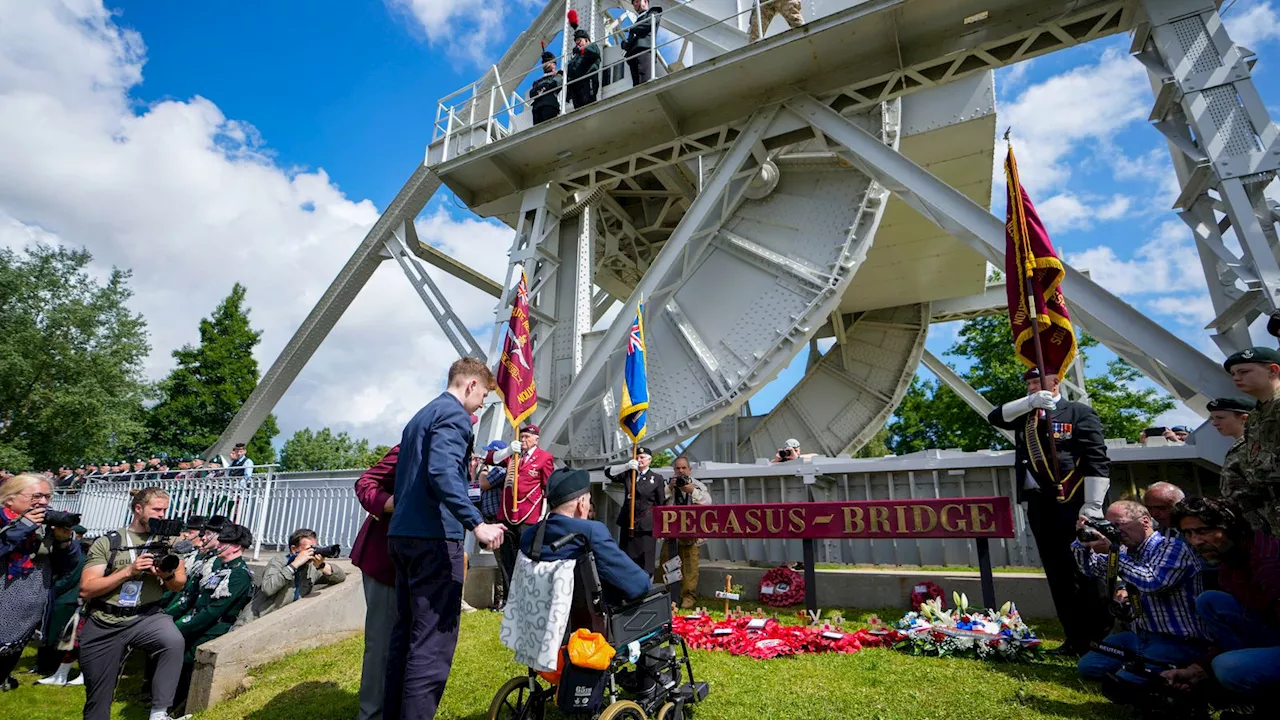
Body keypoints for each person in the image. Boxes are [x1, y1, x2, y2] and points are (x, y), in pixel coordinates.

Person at [385, 357, 506, 720]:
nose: (482, 403)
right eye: (483, 395)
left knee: (405, 638)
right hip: (434, 540)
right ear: (470, 385)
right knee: (432, 645)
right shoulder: (454, 416)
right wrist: (476, 523)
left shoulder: (421, 416)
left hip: (404, 535)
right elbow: (441, 471)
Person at [987, 367, 1111, 656]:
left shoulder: (1078, 413)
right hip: (1041, 504)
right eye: (1029, 382)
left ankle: (1099, 638)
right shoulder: (1025, 416)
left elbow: (1096, 458)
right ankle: (1074, 637)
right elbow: (995, 417)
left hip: (1074, 503)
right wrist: (1030, 403)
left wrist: (1093, 506)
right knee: (1058, 572)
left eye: (1038, 382)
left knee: (1088, 571)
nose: (1032, 387)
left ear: (1056, 382)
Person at [78, 487, 188, 720]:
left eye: (165, 510)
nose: (162, 515)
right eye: (156, 509)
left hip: (146, 617)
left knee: (172, 640)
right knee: (98, 698)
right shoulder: (109, 541)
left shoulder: (168, 541)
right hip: (104, 620)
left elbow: (179, 583)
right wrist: (129, 570)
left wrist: (165, 574)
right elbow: (87, 588)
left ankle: (159, 713)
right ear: (138, 509)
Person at [1071, 500, 1209, 682]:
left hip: (1178, 640)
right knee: (1088, 667)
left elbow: (1152, 582)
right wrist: (1083, 542)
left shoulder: (1172, 547)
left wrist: (1115, 555)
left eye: (1118, 525)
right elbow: (1091, 569)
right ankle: (1143, 666)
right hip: (1140, 636)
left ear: (1145, 522)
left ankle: (1162, 669)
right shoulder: (1125, 550)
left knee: (1125, 683)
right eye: (1109, 526)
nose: (1115, 531)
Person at [1162, 497, 1280, 698]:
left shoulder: (1269, 563)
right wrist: (1198, 670)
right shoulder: (1229, 564)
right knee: (1210, 602)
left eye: (1203, 531)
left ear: (1230, 527)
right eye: (1188, 533)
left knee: (1227, 667)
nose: (1195, 541)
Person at [0, 474, 83, 690]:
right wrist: (23, 526)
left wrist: (65, 541)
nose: (44, 502)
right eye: (37, 496)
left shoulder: (44, 527)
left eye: (48, 496)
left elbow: (66, 567)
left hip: (26, 616)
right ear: (10, 499)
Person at [168, 523, 254, 714]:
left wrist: (179, 628)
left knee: (185, 669)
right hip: (196, 628)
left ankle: (178, 711)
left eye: (225, 541)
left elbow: (213, 612)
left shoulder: (239, 574)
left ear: (236, 546)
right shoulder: (219, 568)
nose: (219, 543)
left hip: (210, 632)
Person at [352, 444, 400, 720]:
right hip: (384, 561)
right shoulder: (415, 441)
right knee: (381, 644)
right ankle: (371, 714)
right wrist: (392, 503)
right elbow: (366, 482)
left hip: (417, 565)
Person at [485, 424, 554, 595]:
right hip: (507, 513)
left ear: (536, 439)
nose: (523, 440)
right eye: (521, 437)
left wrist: (543, 514)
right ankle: (510, 598)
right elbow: (489, 459)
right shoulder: (513, 456)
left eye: (527, 437)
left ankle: (528, 593)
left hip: (528, 514)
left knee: (526, 557)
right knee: (507, 556)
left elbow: (547, 487)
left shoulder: (544, 458)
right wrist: (508, 450)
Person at [236, 528, 345, 625]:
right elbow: (268, 588)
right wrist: (294, 565)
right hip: (253, 621)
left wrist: (321, 565)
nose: (312, 552)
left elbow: (340, 577)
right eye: (308, 549)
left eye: (314, 548)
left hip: (278, 623)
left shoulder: (311, 568)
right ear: (294, 549)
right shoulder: (279, 561)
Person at [1225, 346, 1280, 534]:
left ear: (1273, 370)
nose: (1236, 378)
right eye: (1233, 374)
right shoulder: (1255, 416)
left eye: (1244, 372)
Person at [37, 523, 89, 686]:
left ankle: (56, 669)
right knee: (68, 638)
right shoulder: (76, 551)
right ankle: (56, 671)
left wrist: (51, 590)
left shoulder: (78, 553)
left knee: (66, 637)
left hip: (69, 599)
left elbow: (69, 578)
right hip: (70, 599)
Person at [605, 446, 667, 578]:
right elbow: (608, 473)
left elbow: (660, 504)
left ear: (650, 460)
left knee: (646, 562)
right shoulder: (629, 474)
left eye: (643, 457)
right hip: (628, 523)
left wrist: (660, 527)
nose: (639, 460)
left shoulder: (656, 479)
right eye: (637, 457)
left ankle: (645, 589)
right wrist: (626, 466)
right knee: (626, 559)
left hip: (646, 526)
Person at [659, 455, 711, 608]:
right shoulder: (668, 486)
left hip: (691, 535)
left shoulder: (698, 486)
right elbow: (658, 499)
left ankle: (689, 596)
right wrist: (670, 488)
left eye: (684, 468)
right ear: (674, 471)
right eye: (678, 468)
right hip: (670, 534)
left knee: (690, 567)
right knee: (666, 564)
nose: (681, 471)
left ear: (690, 470)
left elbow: (707, 502)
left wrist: (691, 491)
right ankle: (668, 595)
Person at [1208, 394, 1265, 531]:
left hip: (1262, 525)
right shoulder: (1241, 446)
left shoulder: (1256, 446)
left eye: (1220, 418)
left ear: (1244, 418)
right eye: (1213, 418)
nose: (1214, 423)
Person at [622, 0, 662, 87]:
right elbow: (629, 42)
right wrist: (624, 44)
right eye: (634, 3)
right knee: (636, 85)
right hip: (633, 55)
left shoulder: (654, 12)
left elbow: (648, 23)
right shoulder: (636, 23)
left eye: (637, 1)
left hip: (644, 50)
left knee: (645, 81)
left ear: (645, 1)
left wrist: (632, 29)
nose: (635, 5)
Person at [566, 28, 601, 109]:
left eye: (579, 40)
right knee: (578, 108)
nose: (577, 43)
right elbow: (571, 72)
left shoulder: (592, 47)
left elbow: (595, 53)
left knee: (589, 104)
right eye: (576, 41)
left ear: (586, 40)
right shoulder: (575, 58)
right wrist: (568, 91)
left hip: (588, 80)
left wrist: (582, 50)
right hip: (576, 86)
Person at [529, 52, 562, 125]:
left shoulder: (559, 75)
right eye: (544, 63)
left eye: (547, 62)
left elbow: (555, 84)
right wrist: (544, 87)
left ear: (554, 64)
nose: (545, 65)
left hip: (549, 105)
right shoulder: (538, 81)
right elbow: (532, 94)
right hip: (537, 108)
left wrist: (541, 88)